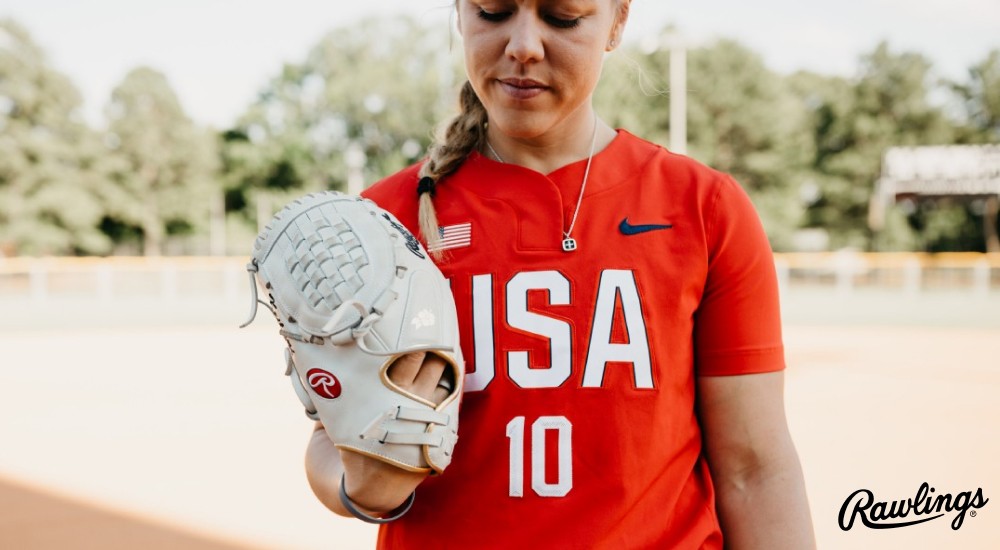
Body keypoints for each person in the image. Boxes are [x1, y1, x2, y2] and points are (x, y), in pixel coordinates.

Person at [305, 1, 816, 547]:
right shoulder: (381, 223)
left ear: (616, 22)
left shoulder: (703, 207)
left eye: (562, 17)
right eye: (493, 12)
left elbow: (754, 469)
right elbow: (328, 441)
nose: (523, 44)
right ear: (460, 14)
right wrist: (360, 488)